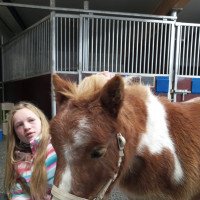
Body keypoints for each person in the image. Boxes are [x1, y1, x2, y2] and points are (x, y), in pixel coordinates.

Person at [4, 102, 57, 200]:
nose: (27, 127)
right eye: (19, 125)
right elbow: (19, 192)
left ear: (41, 121)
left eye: (31, 120)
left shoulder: (57, 146)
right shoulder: (18, 162)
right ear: (15, 134)